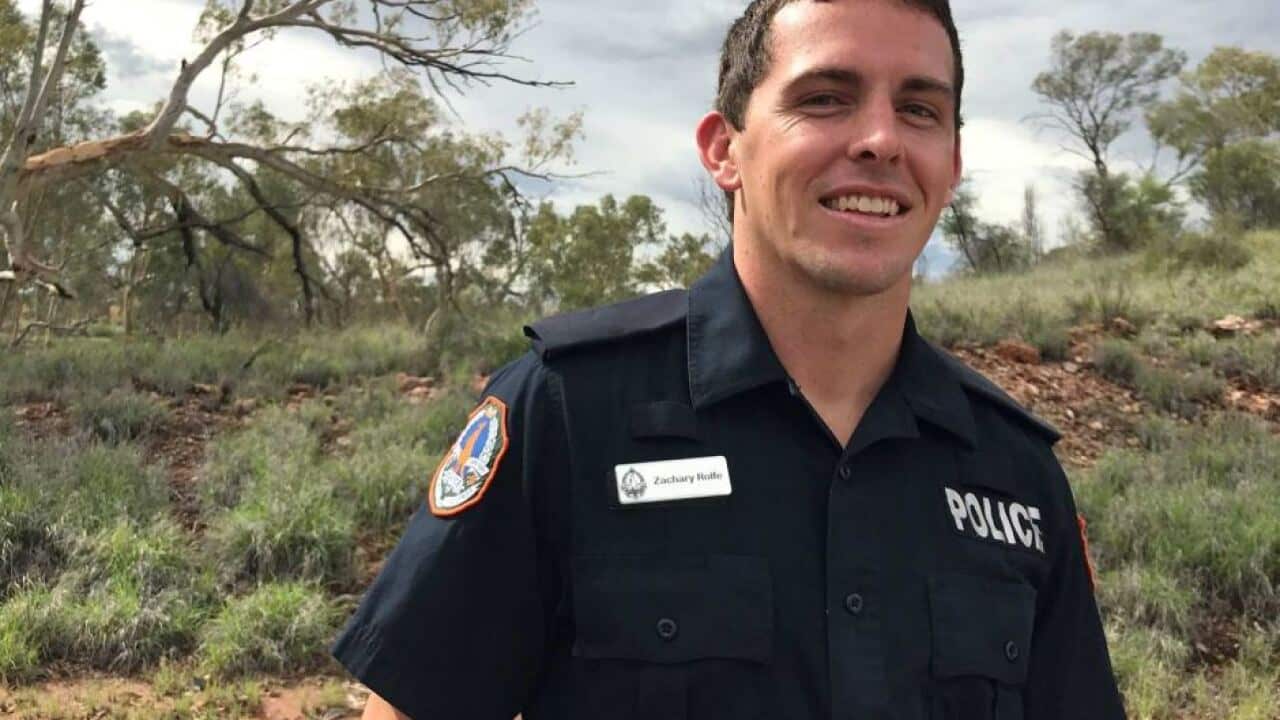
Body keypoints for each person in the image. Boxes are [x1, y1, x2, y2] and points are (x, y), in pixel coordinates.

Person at [333, 0, 1128, 718]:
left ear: (951, 167)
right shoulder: (569, 411)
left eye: (920, 109)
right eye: (825, 98)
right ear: (724, 149)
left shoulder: (1015, 472)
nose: (882, 139)